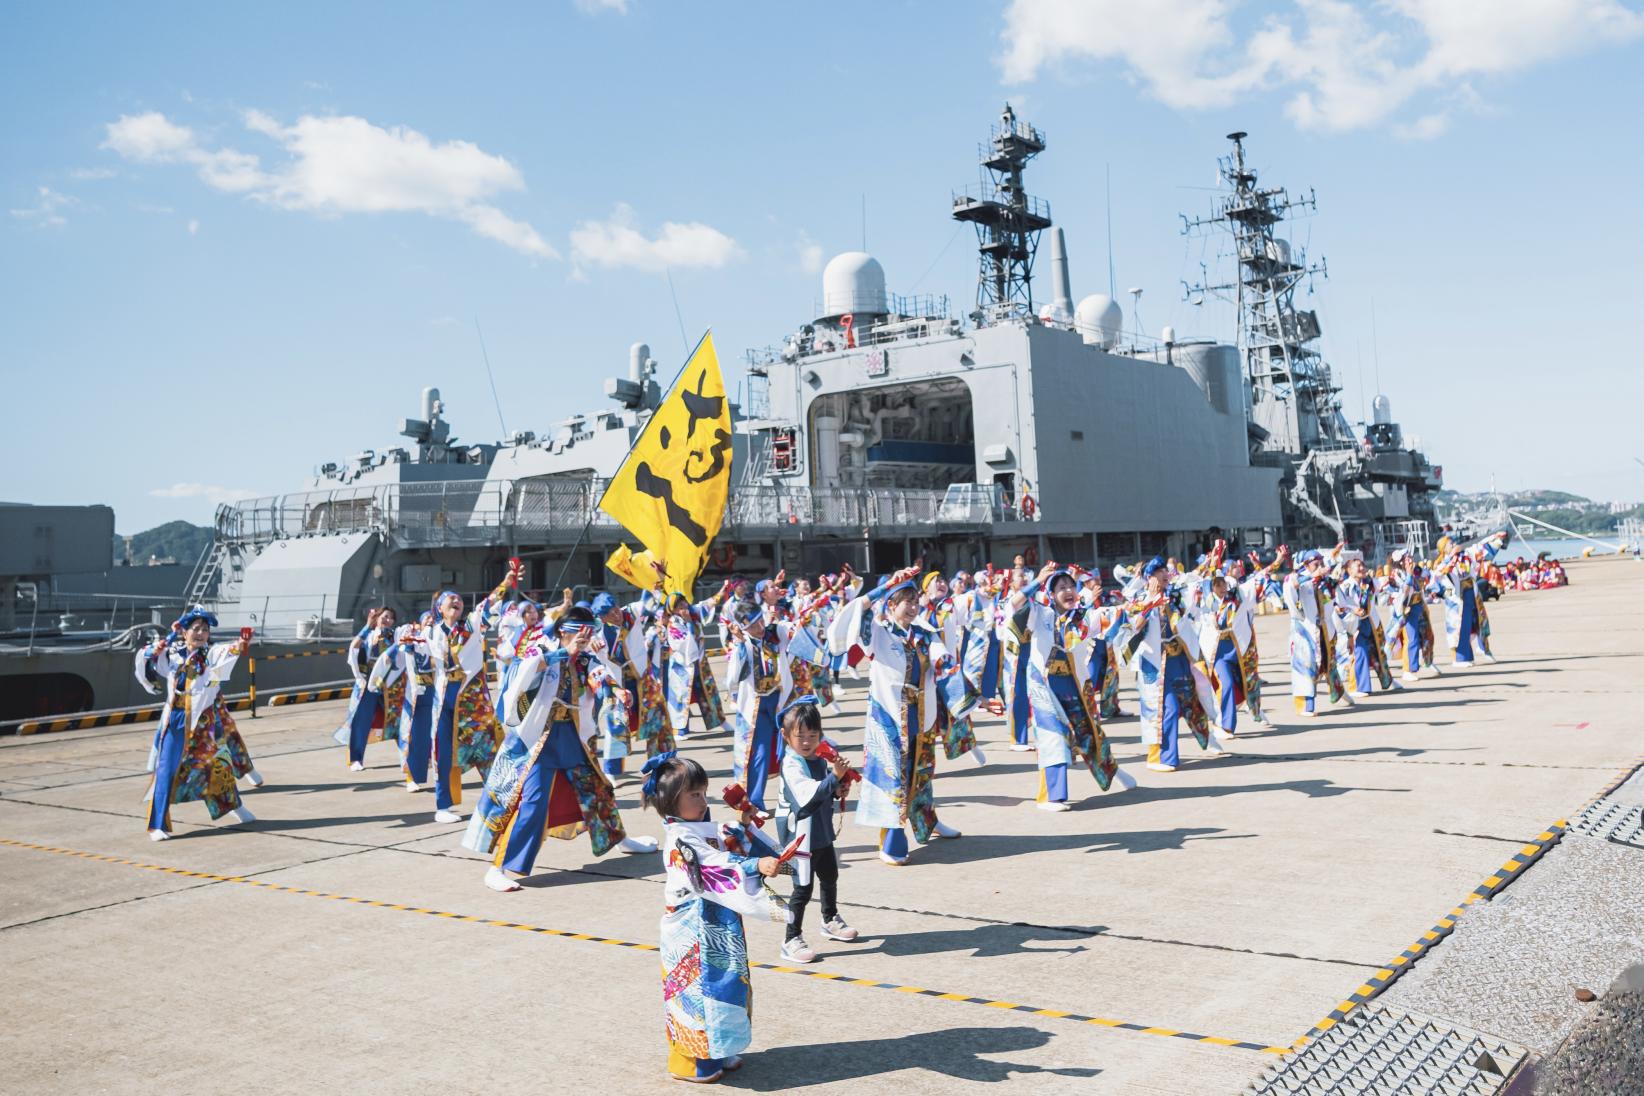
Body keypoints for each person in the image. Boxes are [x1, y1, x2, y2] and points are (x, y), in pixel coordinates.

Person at [463, 606, 656, 891]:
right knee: (532, 800)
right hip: (539, 741)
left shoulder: (586, 659)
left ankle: (620, 840)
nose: (588, 638)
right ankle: (499, 866)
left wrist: (617, 691)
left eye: (591, 632)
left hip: (573, 738)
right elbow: (521, 675)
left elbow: (600, 676)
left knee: (598, 790)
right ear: (565, 632)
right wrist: (566, 652)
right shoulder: (541, 648)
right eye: (582, 633)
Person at [645, 754, 787, 1085]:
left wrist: (747, 824)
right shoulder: (680, 838)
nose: (702, 800)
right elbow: (713, 866)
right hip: (690, 929)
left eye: (703, 792)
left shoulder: (701, 828)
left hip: (715, 922)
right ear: (671, 802)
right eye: (693, 794)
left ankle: (718, 1048)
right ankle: (690, 1061)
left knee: (725, 986)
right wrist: (754, 866)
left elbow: (730, 841)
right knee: (695, 992)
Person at [826, 563, 977, 865]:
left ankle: (927, 821)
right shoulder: (878, 634)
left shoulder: (924, 634)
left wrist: (969, 699)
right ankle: (892, 841)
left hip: (921, 713)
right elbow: (852, 618)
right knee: (893, 778)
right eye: (904, 600)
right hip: (889, 719)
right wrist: (884, 586)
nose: (912, 606)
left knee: (921, 772)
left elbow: (943, 662)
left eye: (914, 599)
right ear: (891, 605)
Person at [1006, 564, 1137, 810]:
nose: (1068, 591)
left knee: (1090, 732)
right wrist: (1038, 581)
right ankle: (1050, 796)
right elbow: (1013, 604)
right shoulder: (1039, 613)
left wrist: (1143, 603)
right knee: (1052, 736)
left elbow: (1119, 613)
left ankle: (1113, 771)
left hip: (1074, 683)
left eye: (1071, 586)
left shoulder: (1084, 617)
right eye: (1061, 587)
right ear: (1051, 593)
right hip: (1044, 685)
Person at [132, 607, 257, 839]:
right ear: (184, 632)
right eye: (195, 629)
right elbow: (145, 657)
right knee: (166, 770)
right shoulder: (172, 653)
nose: (200, 633)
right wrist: (159, 645)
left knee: (218, 766)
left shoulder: (210, 654)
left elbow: (229, 650)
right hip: (176, 718)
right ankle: (157, 825)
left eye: (205, 630)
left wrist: (241, 643)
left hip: (203, 720)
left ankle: (235, 808)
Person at [1116, 558, 1227, 771]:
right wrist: (1149, 605)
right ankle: (1159, 756)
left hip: (1179, 658)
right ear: (1149, 577)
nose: (1164, 574)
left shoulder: (1175, 595)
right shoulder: (1137, 599)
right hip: (1154, 663)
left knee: (1193, 701)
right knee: (1164, 708)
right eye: (1159, 571)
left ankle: (1207, 737)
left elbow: (1200, 591)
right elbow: (1132, 627)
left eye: (1165, 570)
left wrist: (1212, 564)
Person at [775, 697, 860, 963]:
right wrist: (833, 777)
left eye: (813, 735)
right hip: (800, 834)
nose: (807, 741)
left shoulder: (817, 758)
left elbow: (823, 792)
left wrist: (837, 787)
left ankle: (829, 919)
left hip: (820, 830)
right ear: (786, 736)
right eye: (800, 736)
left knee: (829, 874)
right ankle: (791, 938)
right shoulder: (791, 764)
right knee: (802, 887)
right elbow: (805, 799)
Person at [426, 570, 513, 823]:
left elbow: (488, 604)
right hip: (445, 699)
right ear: (440, 608)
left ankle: (500, 798)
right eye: (450, 599)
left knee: (488, 749)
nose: (457, 601)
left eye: (460, 599)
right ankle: (443, 806)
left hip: (474, 698)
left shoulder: (473, 625)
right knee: (443, 752)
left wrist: (505, 583)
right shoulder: (430, 632)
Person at [1185, 547, 1282, 735]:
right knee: (1226, 683)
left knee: (1249, 682)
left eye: (1223, 584)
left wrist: (1277, 561)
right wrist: (1210, 563)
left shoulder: (1238, 596)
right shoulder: (1202, 602)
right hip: (1216, 651)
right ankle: (1226, 725)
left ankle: (1254, 709)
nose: (1222, 588)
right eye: (1217, 584)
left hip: (1239, 648)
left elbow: (1260, 577)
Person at [369, 619, 437, 791]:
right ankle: (410, 777)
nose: (430, 620)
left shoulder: (439, 640)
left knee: (435, 739)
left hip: (435, 697)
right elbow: (387, 659)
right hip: (413, 697)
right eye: (426, 618)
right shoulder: (409, 640)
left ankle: (440, 775)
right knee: (409, 736)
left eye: (432, 618)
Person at [1283, 548, 1347, 717]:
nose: (1319, 567)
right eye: (1315, 564)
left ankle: (1338, 691)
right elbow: (1291, 589)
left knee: (1328, 662)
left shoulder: (1325, 581)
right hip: (1305, 632)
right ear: (1306, 565)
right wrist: (1313, 576)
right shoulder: (1298, 579)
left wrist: (1339, 606)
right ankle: (1305, 705)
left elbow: (1334, 598)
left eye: (1320, 563)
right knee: (1306, 667)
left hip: (1324, 630)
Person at [335, 606, 398, 771]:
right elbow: (354, 647)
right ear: (377, 618)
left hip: (388, 683)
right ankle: (356, 759)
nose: (387, 619)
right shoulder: (369, 636)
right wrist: (367, 626)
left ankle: (410, 758)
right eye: (384, 616)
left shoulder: (395, 638)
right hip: (368, 681)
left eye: (391, 618)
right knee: (360, 721)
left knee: (399, 721)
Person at [1434, 535, 1501, 667]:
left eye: (1453, 542)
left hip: (1472, 593)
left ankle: (1483, 648)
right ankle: (1460, 658)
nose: (1453, 544)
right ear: (1443, 549)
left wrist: (1497, 540)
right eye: (1449, 543)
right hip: (1457, 599)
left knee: (1480, 621)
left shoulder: (1464, 555)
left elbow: (1479, 549)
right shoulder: (1442, 562)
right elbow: (1437, 574)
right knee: (1459, 628)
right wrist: (1450, 558)